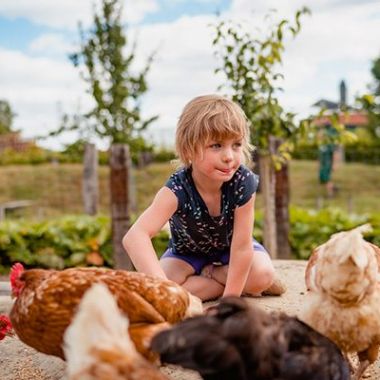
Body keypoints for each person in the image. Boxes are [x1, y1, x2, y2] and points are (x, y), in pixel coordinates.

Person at [123, 94, 280, 301]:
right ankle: (219, 285)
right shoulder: (177, 188)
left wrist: (229, 302)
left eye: (236, 145)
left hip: (230, 251)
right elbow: (135, 237)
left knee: (262, 275)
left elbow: (242, 248)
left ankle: (215, 278)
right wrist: (163, 291)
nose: (229, 156)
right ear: (189, 150)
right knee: (155, 285)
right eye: (216, 145)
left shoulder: (243, 182)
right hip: (186, 254)